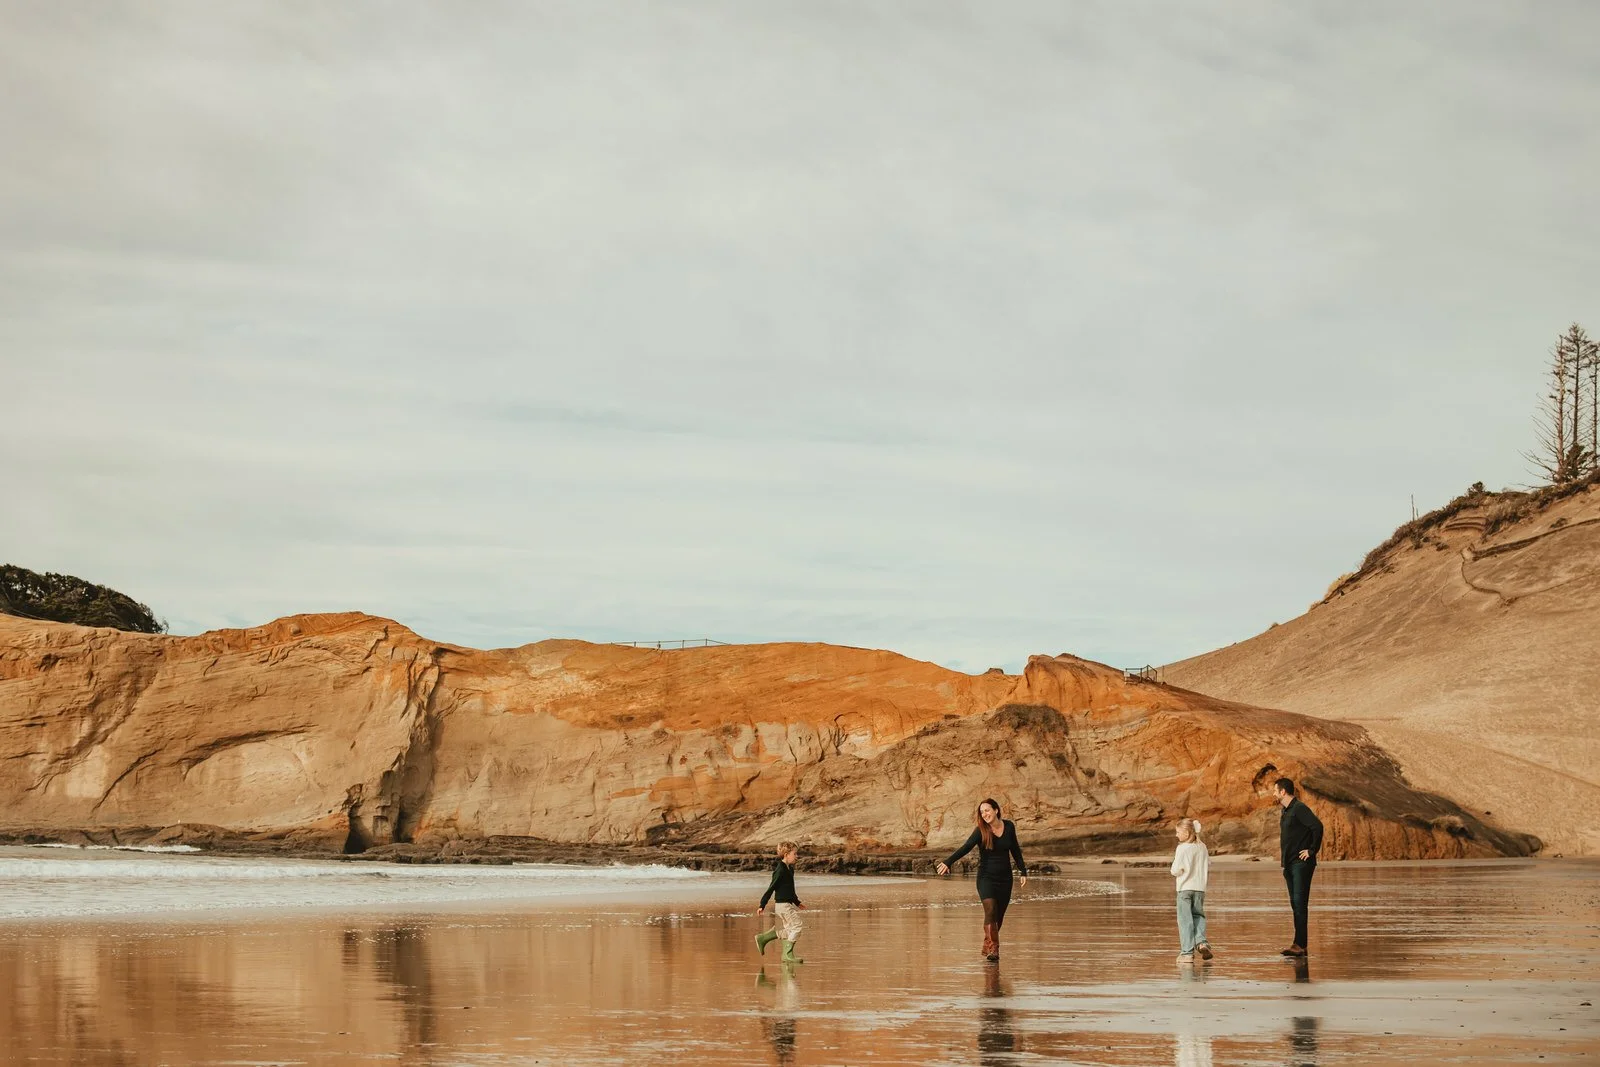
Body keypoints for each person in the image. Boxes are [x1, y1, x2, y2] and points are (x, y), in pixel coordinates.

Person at [935, 798, 1028, 962]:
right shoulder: (981, 830)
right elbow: (965, 847)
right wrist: (948, 861)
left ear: (996, 810)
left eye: (987, 810)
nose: (984, 814)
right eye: (982, 812)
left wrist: (1023, 871)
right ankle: (994, 950)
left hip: (1005, 879)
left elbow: (1015, 849)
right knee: (990, 910)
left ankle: (987, 945)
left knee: (998, 918)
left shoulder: (1009, 826)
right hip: (986, 878)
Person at [1273, 777, 1323, 958]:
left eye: (1275, 790)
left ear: (1283, 792)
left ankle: (1300, 945)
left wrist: (1311, 850)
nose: (1274, 793)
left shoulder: (1299, 808)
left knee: (1300, 904)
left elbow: (1317, 826)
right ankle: (1299, 944)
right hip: (1289, 864)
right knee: (1295, 904)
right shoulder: (1286, 811)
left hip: (1301, 864)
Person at [1170, 817, 1212, 964]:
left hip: (1184, 889)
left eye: (1178, 832)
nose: (1176, 835)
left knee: (1185, 920)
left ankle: (1187, 953)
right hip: (1200, 889)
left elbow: (1175, 870)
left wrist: (1180, 871)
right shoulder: (1203, 847)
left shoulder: (1182, 848)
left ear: (1187, 833)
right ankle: (1201, 942)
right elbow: (1208, 865)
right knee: (1198, 916)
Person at [755, 841, 806, 964]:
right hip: (783, 906)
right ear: (786, 854)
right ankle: (787, 954)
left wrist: (797, 902)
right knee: (797, 926)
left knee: (790, 930)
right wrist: (762, 904)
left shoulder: (790, 869)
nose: (797, 856)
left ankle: (764, 938)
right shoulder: (780, 870)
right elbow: (771, 888)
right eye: (795, 853)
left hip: (786, 904)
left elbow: (790, 890)